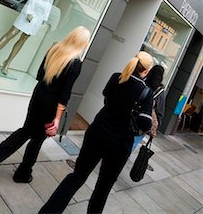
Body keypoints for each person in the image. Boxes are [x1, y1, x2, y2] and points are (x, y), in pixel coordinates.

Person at [39, 51, 154, 214]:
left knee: (77, 175)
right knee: (103, 188)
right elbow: (145, 122)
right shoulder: (146, 93)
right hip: (119, 145)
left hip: (97, 132)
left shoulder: (117, 77)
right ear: (146, 71)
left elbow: (106, 96)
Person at [0, 26, 91, 183]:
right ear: (82, 43)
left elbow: (40, 74)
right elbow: (64, 94)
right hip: (51, 105)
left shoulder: (55, 47)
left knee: (27, 131)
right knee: (36, 138)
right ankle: (14, 169)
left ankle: (5, 163)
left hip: (38, 95)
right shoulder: (76, 63)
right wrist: (57, 119)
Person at [132, 64, 165, 170]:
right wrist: (156, 125)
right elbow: (160, 110)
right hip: (145, 121)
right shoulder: (160, 92)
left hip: (133, 116)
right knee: (134, 142)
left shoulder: (143, 82)